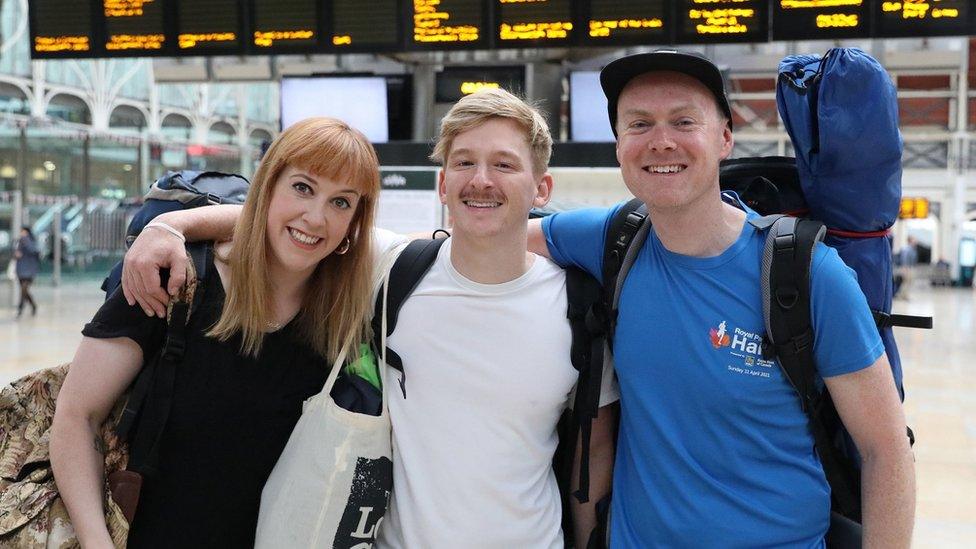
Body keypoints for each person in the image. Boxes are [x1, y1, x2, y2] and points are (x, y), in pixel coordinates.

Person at [118, 88, 619, 548]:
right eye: (464, 162)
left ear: (542, 187)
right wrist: (170, 224)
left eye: (504, 165)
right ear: (444, 185)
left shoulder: (578, 308)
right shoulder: (394, 268)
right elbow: (286, 224)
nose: (481, 180)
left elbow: (592, 455)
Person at [527, 49, 916, 547]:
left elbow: (886, 451)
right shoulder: (612, 239)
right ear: (619, 146)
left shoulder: (806, 274)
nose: (661, 141)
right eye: (639, 124)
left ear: (725, 138)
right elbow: (491, 242)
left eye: (684, 121)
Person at [50, 117, 386, 548]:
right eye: (302, 187)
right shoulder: (175, 281)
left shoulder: (341, 317)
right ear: (268, 187)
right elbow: (77, 416)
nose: (316, 217)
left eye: (342, 202)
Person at [14, 226, 40, 318]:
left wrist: (26, 241)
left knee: (24, 289)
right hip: (20, 270)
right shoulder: (18, 243)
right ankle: (33, 305)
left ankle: (20, 308)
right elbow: (14, 253)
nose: (22, 234)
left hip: (30, 271)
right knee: (24, 291)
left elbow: (34, 251)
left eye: (24, 232)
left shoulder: (31, 242)